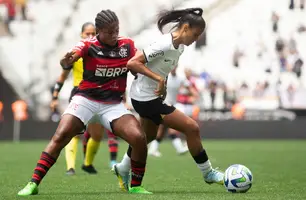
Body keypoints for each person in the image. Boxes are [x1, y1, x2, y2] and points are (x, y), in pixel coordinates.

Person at [18, 9, 151, 196]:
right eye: (109, 31)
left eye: (116, 30)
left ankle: (135, 185)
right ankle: (33, 183)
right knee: (61, 135)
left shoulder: (127, 45)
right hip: (86, 99)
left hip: (113, 104)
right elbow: (70, 59)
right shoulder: (87, 45)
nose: (114, 35)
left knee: (139, 138)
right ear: (99, 31)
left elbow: (138, 65)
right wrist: (66, 62)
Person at [113, 7, 224, 191]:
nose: (196, 39)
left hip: (152, 96)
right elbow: (132, 63)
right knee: (191, 127)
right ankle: (208, 173)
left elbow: (160, 69)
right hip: (144, 98)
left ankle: (122, 167)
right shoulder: (164, 44)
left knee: (146, 137)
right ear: (186, 28)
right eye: (195, 35)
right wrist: (158, 80)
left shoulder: (179, 47)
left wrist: (161, 84)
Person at [50, 22, 119, 175]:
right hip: (78, 93)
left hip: (98, 95)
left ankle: (87, 164)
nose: (90, 36)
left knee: (97, 135)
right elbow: (62, 76)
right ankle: (70, 167)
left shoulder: (104, 53)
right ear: (81, 35)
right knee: (73, 132)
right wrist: (55, 97)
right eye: (86, 33)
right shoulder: (76, 53)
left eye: (92, 33)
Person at [148, 67, 188, 157]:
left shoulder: (180, 78)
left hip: (172, 105)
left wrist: (189, 92)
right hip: (164, 105)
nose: (173, 68)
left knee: (162, 130)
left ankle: (152, 149)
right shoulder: (163, 76)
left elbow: (189, 87)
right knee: (171, 127)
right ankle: (179, 148)